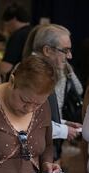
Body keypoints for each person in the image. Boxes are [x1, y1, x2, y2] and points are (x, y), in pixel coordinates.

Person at [24, 24, 83, 162]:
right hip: (32, 157)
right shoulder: (31, 74)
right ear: (47, 50)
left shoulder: (46, 72)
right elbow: (28, 121)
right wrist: (63, 130)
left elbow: (41, 115)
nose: (70, 56)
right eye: (65, 50)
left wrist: (65, 123)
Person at [0, 3, 32, 81]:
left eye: (6, 24)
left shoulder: (17, 36)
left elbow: (5, 68)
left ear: (13, 19)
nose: (6, 28)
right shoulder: (35, 31)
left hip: (19, 82)